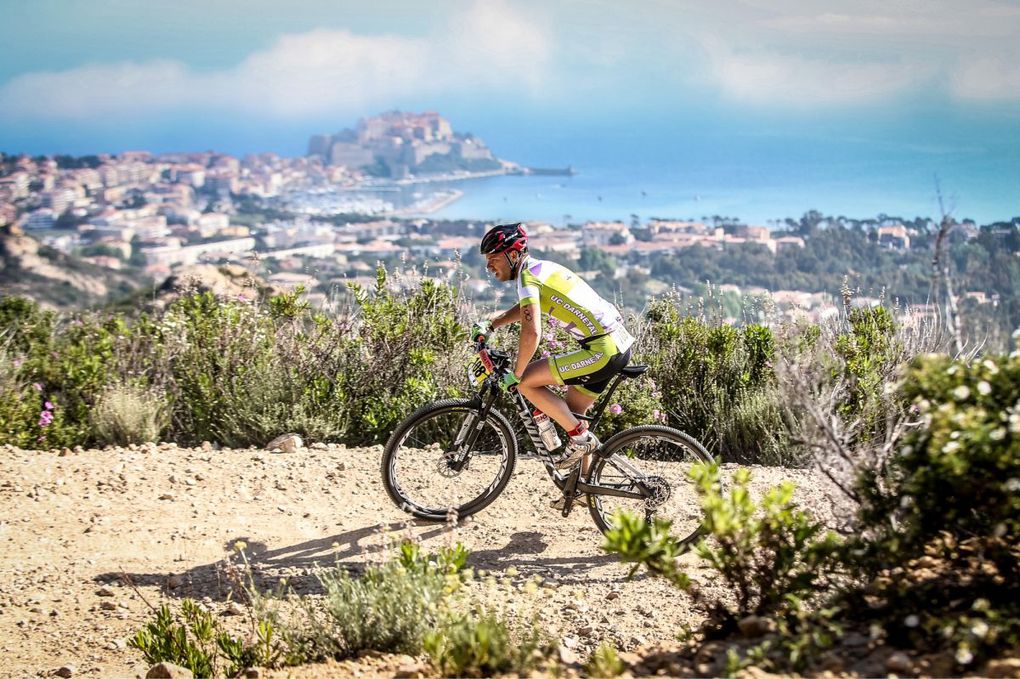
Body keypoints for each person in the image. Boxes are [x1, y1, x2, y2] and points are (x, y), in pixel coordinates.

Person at [471, 222, 635, 472]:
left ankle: (580, 440)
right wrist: (493, 324)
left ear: (513, 255)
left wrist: (516, 374)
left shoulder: (528, 277)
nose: (488, 266)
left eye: (493, 258)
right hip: (616, 345)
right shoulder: (540, 269)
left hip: (602, 350)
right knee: (573, 414)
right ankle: (582, 489)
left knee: (526, 382)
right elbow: (528, 309)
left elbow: (532, 332)